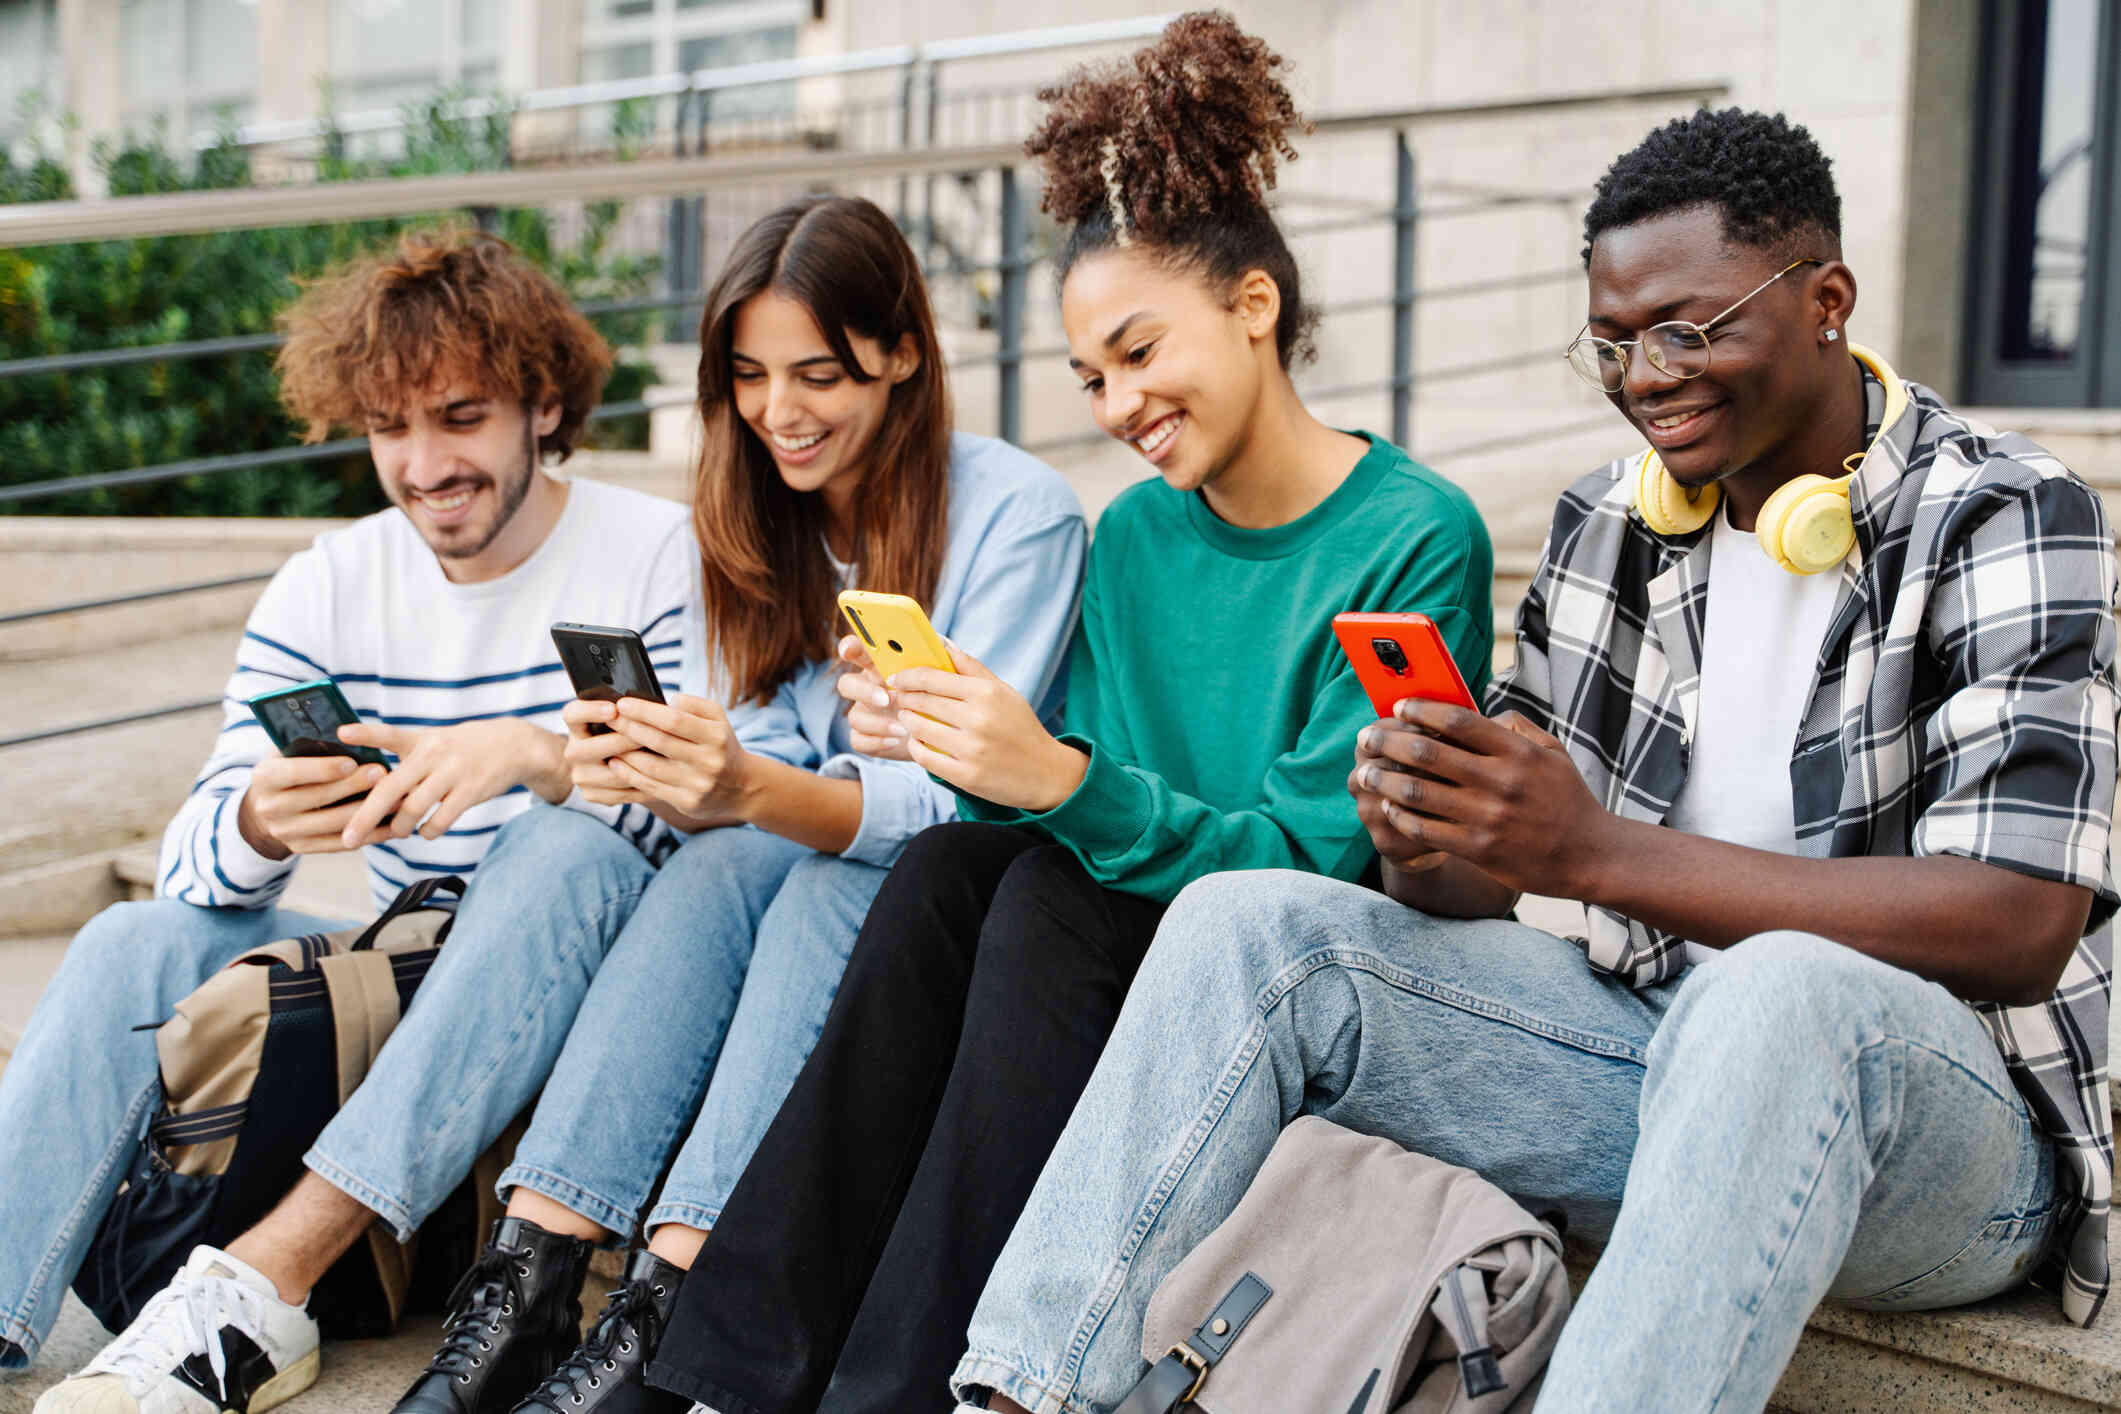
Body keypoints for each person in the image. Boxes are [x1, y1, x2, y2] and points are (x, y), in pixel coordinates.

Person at [951, 107, 2118, 1414]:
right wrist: (1435, 821)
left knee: (1780, 992)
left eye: (1687, 328)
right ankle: (1024, 1391)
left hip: (1956, 1145)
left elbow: (2017, 917)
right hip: (1646, 1055)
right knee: (1252, 925)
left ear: (1827, 300)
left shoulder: (2006, 507)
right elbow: (1465, 902)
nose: (1647, 375)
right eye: (1612, 344)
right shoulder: (1610, 522)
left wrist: (1597, 851)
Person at [642, 15, 1497, 1414]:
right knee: (940, 870)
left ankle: (893, 1391)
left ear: (1255, 307)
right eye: (1090, 376)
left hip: (1290, 959)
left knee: (1039, 898)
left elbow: (1309, 866)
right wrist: (951, 743)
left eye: (1137, 350)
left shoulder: (1415, 536)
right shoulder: (1140, 536)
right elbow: (1079, 796)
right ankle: (731, 1380)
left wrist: (1049, 779)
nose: (1116, 402)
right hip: (1121, 936)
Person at [387, 194, 1086, 1414]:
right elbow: (752, 748)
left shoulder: (1018, 514)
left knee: (815, 872)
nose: (779, 413)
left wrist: (759, 787)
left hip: (959, 908)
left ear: (904, 352)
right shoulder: (747, 510)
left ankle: (673, 1304)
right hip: (778, 876)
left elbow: (964, 811)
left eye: (819, 373)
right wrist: (660, 764)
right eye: (751, 376)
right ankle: (532, 1279)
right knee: (707, 859)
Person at [16, 228, 695, 1413]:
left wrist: (539, 761)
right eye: (392, 428)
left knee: (563, 843)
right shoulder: (328, 582)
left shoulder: (652, 553)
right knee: (133, 940)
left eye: (460, 415)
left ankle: (261, 1288)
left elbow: (697, 836)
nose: (426, 463)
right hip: (390, 985)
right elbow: (193, 864)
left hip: (575, 1006)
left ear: (542, 403)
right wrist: (262, 825)